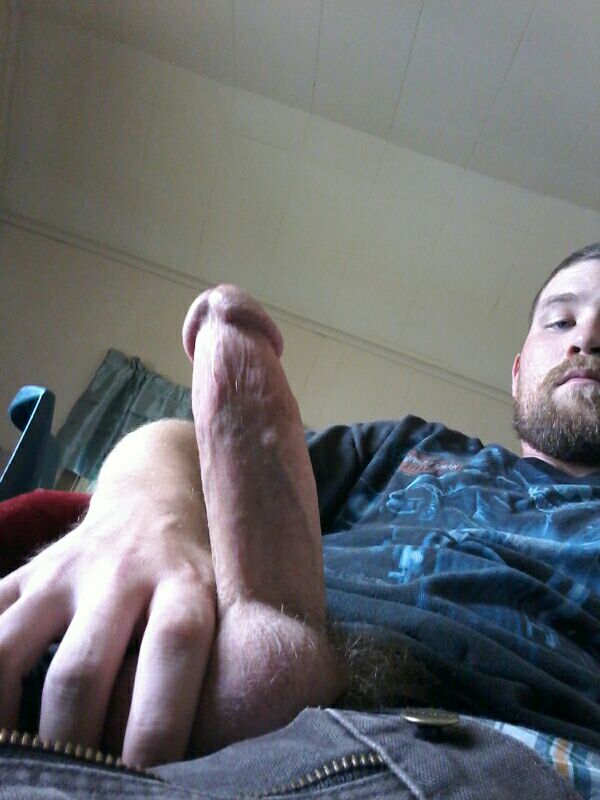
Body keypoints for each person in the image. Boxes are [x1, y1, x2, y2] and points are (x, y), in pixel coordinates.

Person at [0, 243, 599, 799]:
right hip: (218, 643)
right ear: (518, 371)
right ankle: (266, 645)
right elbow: (180, 445)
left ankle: (265, 664)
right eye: (561, 321)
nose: (587, 338)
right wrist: (144, 514)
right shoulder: (413, 446)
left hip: (485, 742)